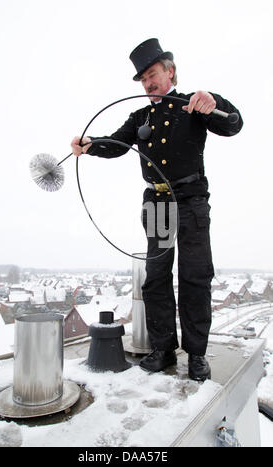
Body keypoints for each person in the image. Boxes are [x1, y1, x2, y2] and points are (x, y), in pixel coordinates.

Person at [71, 38, 243, 381]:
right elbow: (117, 143)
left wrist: (215, 101)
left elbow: (233, 123)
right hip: (158, 203)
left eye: (153, 73)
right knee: (157, 278)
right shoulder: (140, 116)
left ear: (170, 72)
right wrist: (90, 146)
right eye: (143, 78)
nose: (148, 82)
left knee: (195, 276)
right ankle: (164, 348)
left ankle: (196, 354)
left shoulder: (192, 104)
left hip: (191, 201)